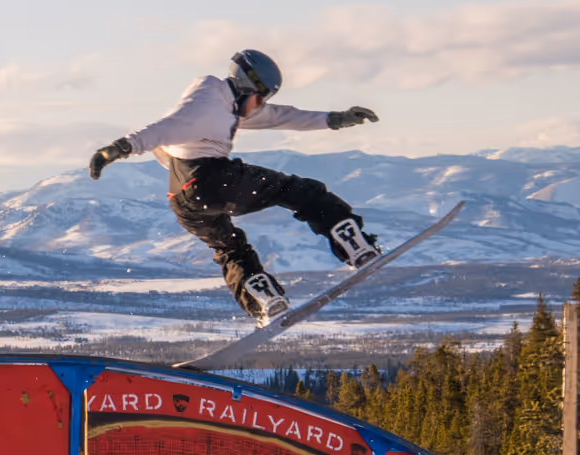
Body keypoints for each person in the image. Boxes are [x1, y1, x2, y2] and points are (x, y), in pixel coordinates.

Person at [87, 50, 381, 324]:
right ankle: (352, 243)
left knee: (229, 249)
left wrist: (335, 119)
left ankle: (263, 300)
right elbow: (163, 127)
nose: (262, 105)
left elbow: (280, 116)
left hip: (183, 202)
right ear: (246, 87)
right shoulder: (203, 108)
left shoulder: (225, 103)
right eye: (261, 97)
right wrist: (116, 150)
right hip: (214, 181)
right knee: (301, 192)